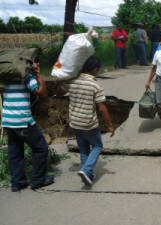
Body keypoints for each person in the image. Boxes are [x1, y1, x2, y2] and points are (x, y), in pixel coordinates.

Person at [56, 56, 115, 186]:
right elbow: (102, 108)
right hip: (89, 124)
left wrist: (62, 80)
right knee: (98, 146)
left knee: (83, 149)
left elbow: (59, 93)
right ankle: (86, 169)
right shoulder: (95, 85)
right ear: (95, 69)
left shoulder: (72, 82)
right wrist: (110, 125)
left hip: (75, 122)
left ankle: (87, 176)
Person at [2, 60, 54, 192]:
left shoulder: (5, 78)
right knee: (41, 148)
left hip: (8, 120)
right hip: (22, 121)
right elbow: (42, 93)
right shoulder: (26, 77)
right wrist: (38, 74)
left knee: (15, 151)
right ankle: (37, 180)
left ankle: (17, 182)